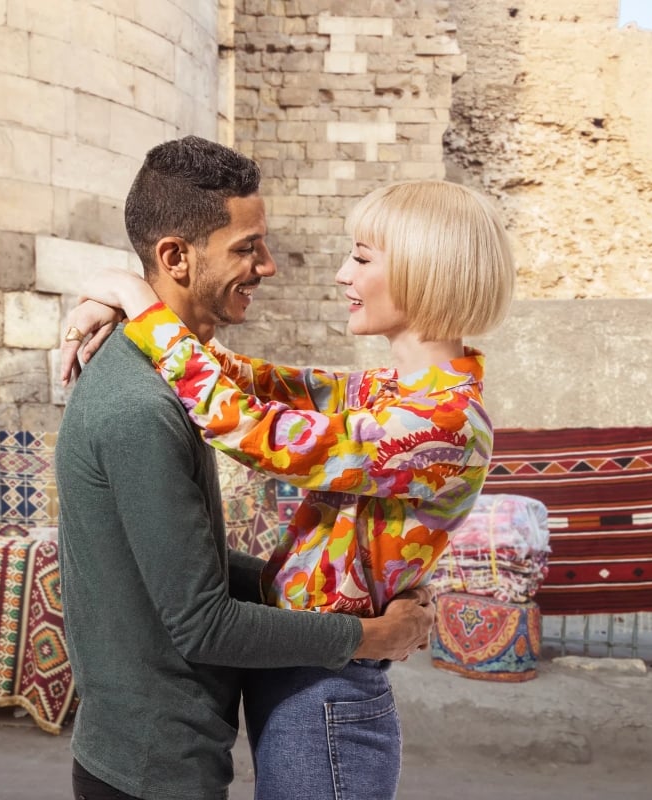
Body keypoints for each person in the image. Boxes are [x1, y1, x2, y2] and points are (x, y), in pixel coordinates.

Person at [63, 177, 516, 800]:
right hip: (303, 674)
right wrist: (119, 300)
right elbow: (245, 378)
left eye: (361, 257)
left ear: (424, 271)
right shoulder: (391, 393)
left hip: (330, 693)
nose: (340, 275)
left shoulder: (440, 424)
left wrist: (137, 301)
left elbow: (252, 427)